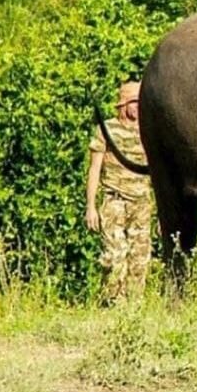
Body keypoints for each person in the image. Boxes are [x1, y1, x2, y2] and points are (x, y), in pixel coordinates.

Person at [85, 81, 152, 301]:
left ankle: (134, 306)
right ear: (124, 104)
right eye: (135, 102)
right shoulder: (107, 129)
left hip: (141, 202)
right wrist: (91, 207)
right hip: (115, 201)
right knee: (114, 257)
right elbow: (94, 169)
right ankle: (112, 303)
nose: (139, 107)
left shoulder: (148, 131)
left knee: (139, 258)